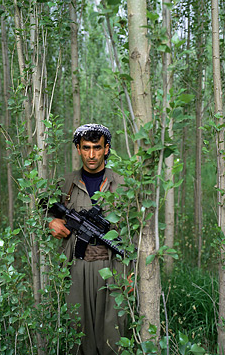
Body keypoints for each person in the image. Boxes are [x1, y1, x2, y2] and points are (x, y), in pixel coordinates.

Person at [48, 123, 129, 355]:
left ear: (106, 149)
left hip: (113, 268)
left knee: (112, 335)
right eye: (86, 148)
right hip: (75, 266)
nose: (91, 154)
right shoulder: (66, 183)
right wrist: (50, 222)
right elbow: (40, 210)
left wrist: (131, 274)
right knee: (77, 333)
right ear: (78, 149)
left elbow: (136, 231)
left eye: (96, 147)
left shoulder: (121, 184)